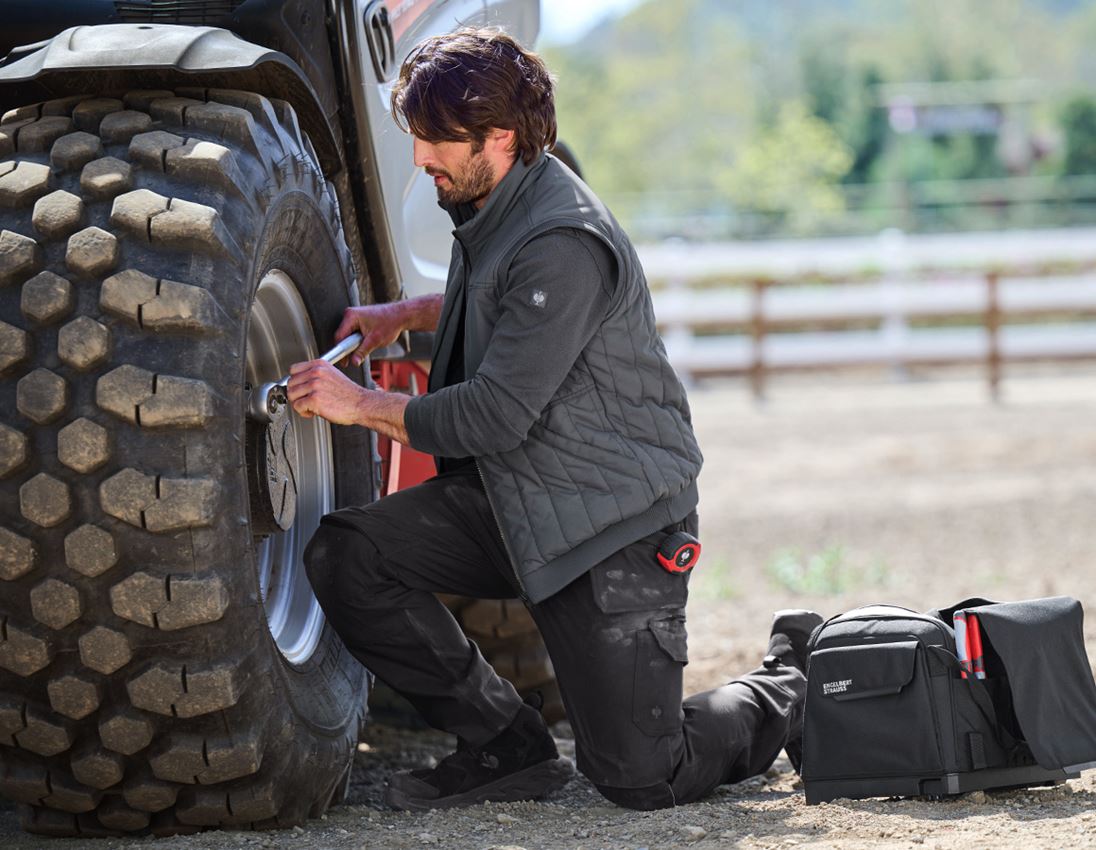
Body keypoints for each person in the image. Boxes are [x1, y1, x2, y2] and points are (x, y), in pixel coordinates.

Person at [288, 27, 821, 812]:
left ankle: (789, 682)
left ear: (499, 137)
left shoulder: (562, 236)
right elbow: (509, 314)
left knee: (643, 776)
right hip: (518, 500)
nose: (421, 160)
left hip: (612, 527)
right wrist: (405, 315)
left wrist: (359, 406)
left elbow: (495, 414)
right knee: (349, 555)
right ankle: (506, 744)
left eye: (436, 141)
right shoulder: (492, 197)